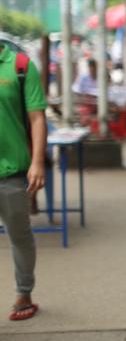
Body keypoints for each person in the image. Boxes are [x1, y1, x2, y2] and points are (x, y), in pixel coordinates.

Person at [0, 44, 47, 320]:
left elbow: (37, 117)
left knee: (19, 234)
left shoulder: (19, 65)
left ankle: (23, 292)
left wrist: (37, 161)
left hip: (12, 170)